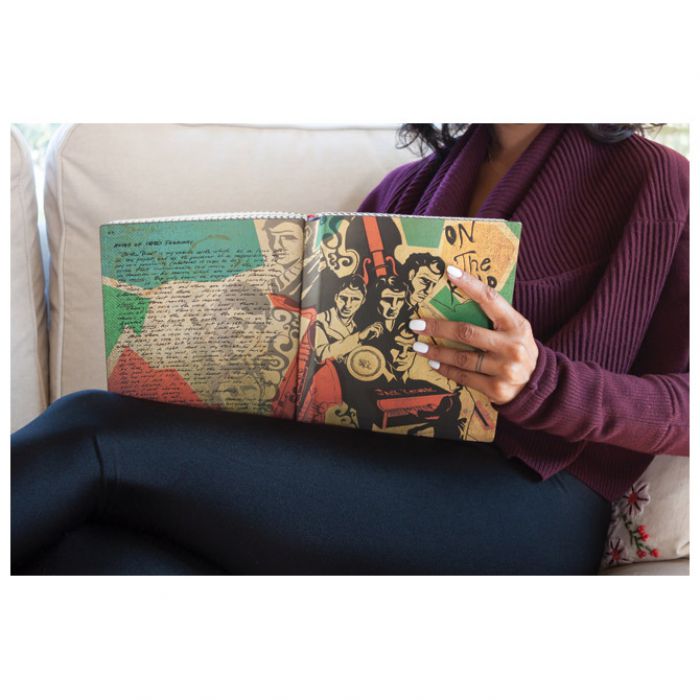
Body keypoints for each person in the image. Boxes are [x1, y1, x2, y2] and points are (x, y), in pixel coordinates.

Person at [11, 124, 688, 575]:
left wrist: (542, 381)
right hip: (369, 465)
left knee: (93, 431)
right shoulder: (407, 188)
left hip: (527, 502)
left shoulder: (656, 179)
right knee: (96, 560)